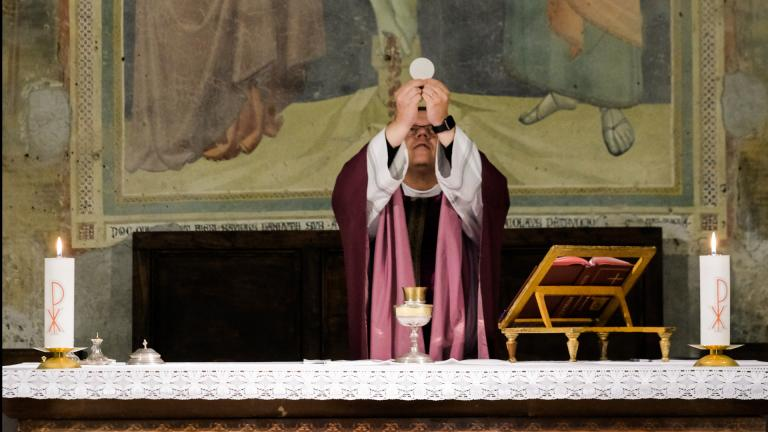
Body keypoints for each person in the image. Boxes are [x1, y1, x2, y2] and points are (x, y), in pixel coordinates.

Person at [332, 79, 509, 361]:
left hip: (456, 341)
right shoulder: (380, 201)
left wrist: (446, 125)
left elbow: (491, 194)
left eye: (432, 131)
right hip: (387, 339)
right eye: (412, 131)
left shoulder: (462, 198)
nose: (423, 136)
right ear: (397, 142)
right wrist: (398, 124)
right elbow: (347, 195)